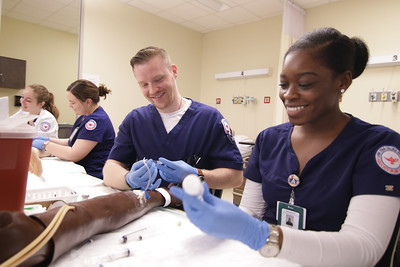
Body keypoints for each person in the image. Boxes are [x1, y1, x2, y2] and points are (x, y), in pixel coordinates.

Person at [170, 27, 400, 267]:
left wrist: (262, 235)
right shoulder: (269, 140)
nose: (289, 95)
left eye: (305, 84)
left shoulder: (378, 146)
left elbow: (364, 249)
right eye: (283, 84)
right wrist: (224, 221)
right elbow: (251, 212)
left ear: (343, 81)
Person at [103, 46, 243, 195]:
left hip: (191, 213)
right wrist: (128, 178)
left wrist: (197, 174)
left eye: (158, 79)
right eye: (144, 84)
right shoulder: (135, 120)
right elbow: (111, 167)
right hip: (145, 211)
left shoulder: (209, 119)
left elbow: (235, 177)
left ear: (174, 71)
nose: (152, 90)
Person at [32, 79, 115, 179]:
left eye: (73, 103)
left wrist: (45, 145)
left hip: (92, 175)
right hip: (81, 170)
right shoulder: (84, 117)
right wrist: (48, 139)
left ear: (88, 102)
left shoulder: (96, 121)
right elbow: (72, 142)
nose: (70, 106)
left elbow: (73, 154)